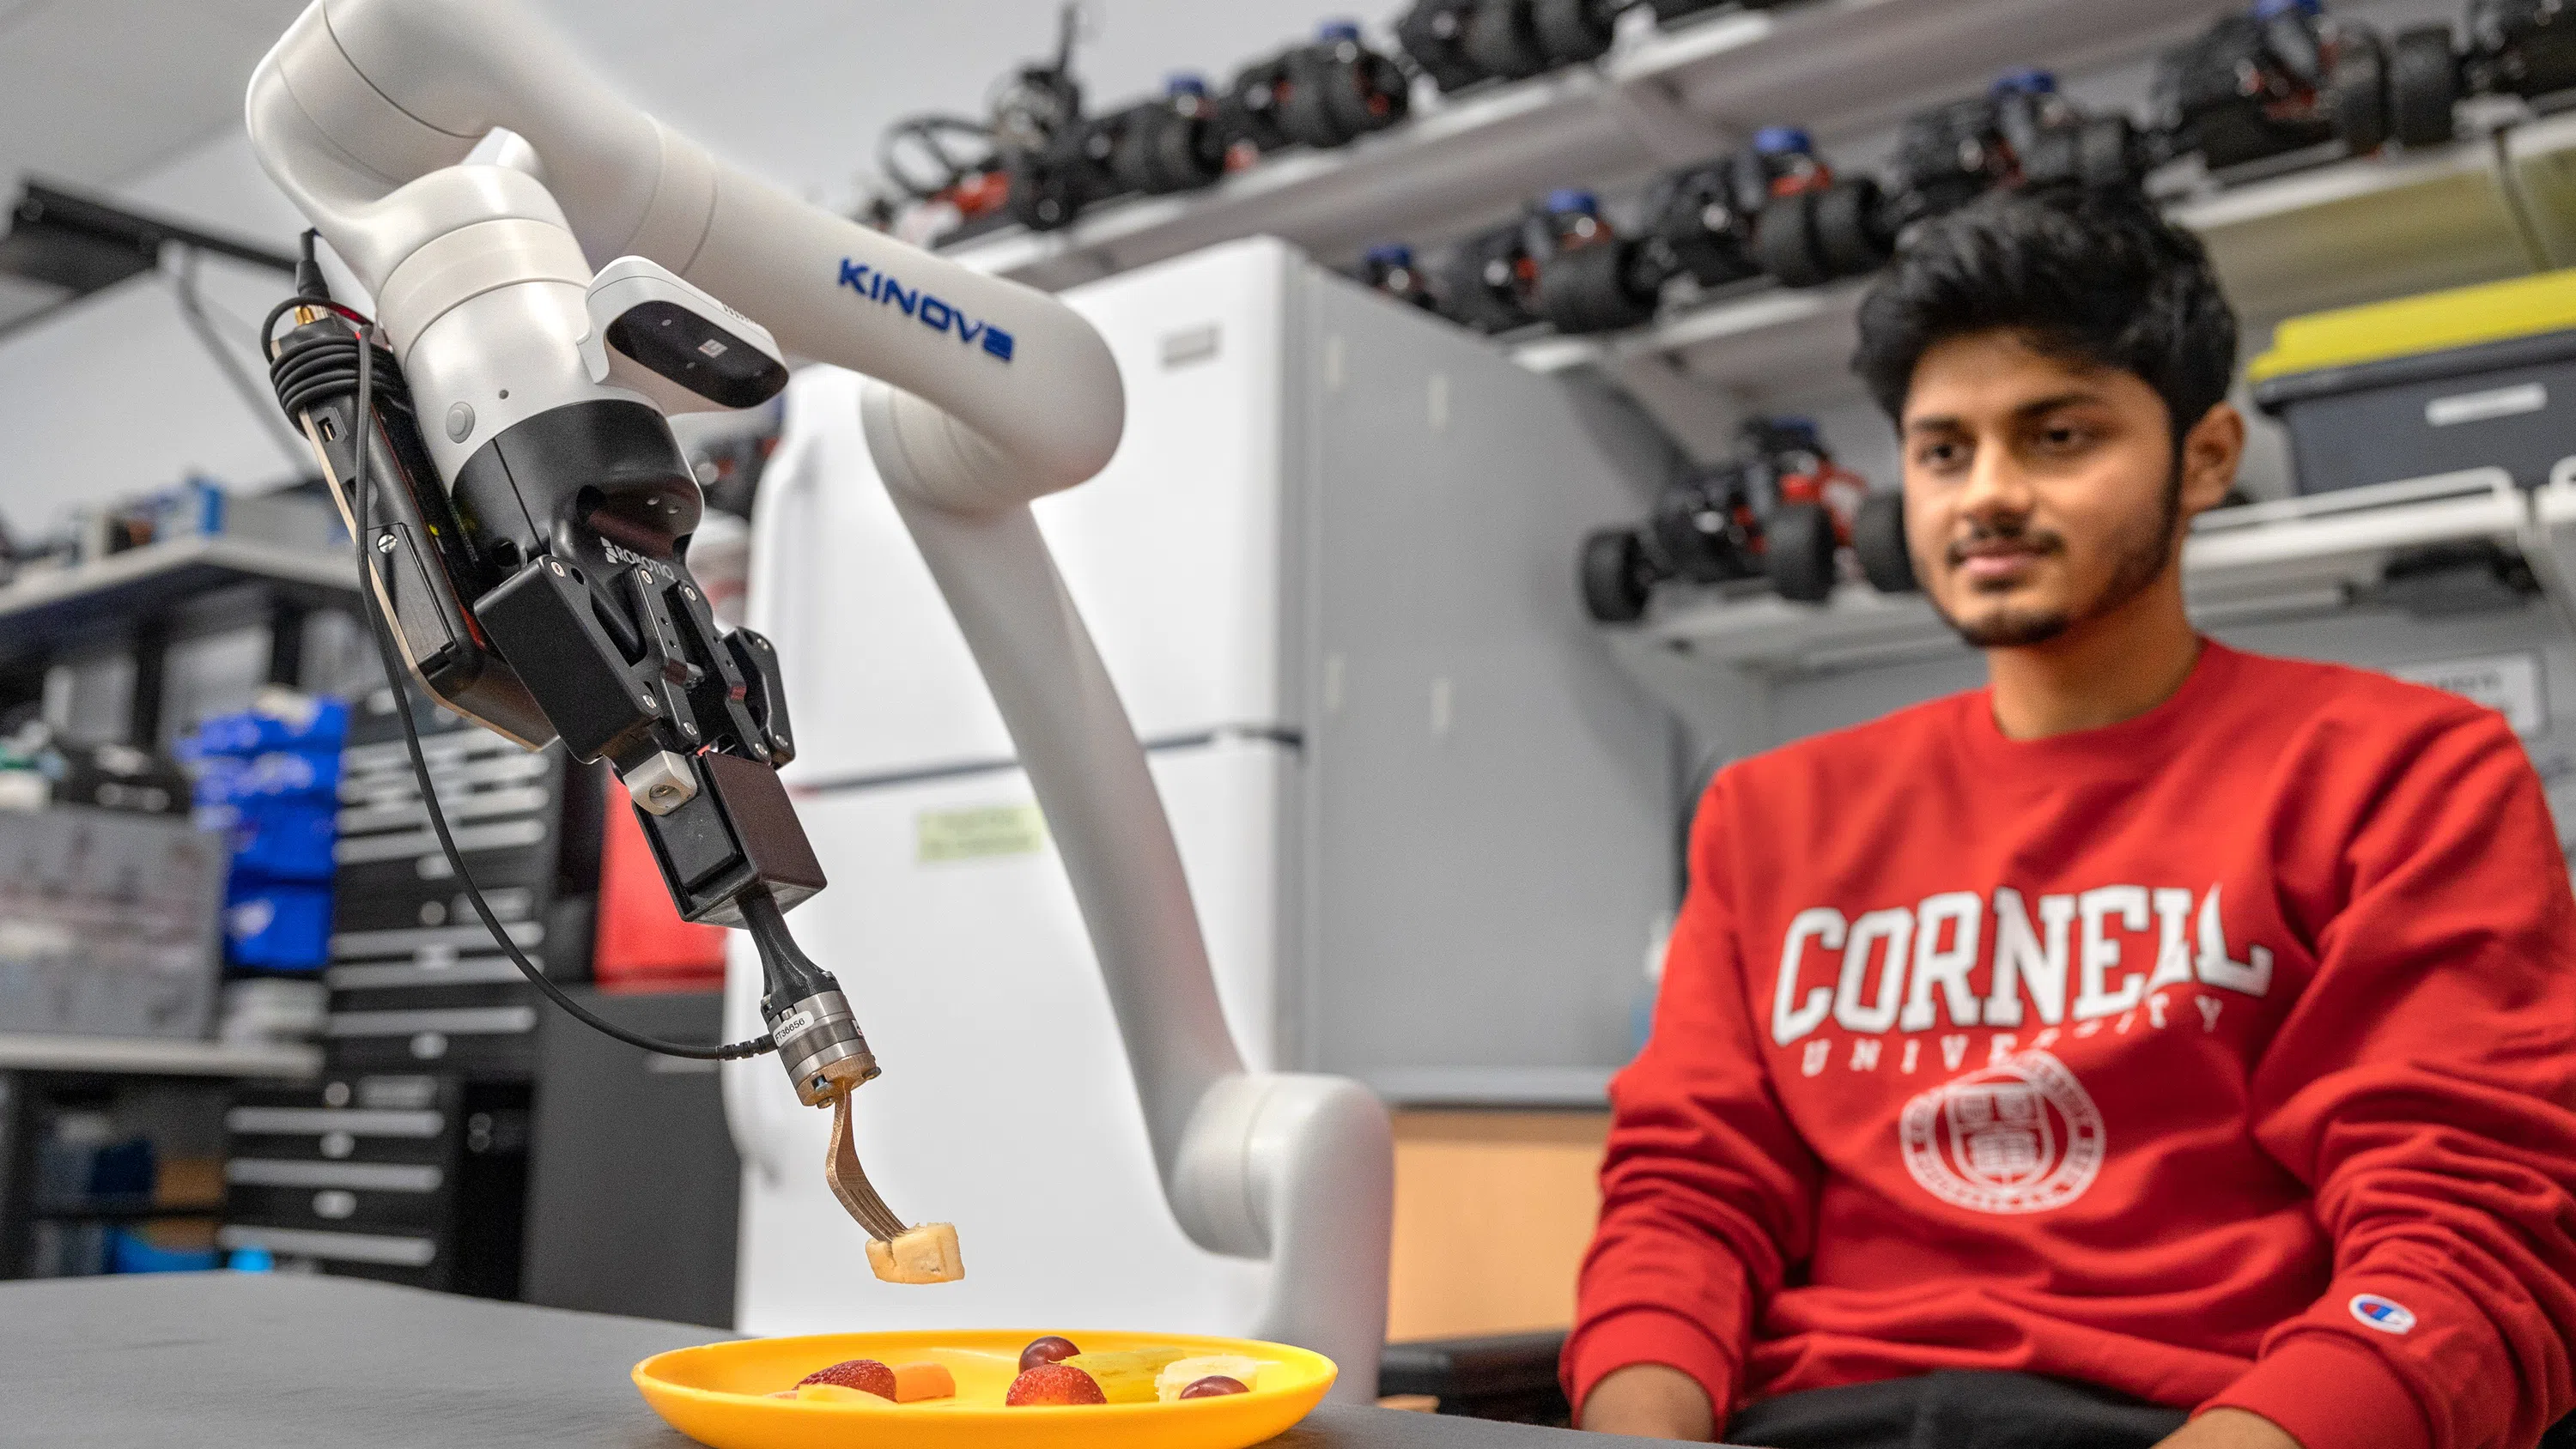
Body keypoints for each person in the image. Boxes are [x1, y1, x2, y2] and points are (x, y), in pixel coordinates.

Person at [1564, 188, 2576, 1449]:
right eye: (1944, 451)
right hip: (1811, 1424)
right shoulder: (1769, 812)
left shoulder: (2408, 772)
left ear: (2205, 458)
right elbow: (1686, 1203)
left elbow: (2464, 1238)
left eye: (2057, 436)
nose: (1986, 494)